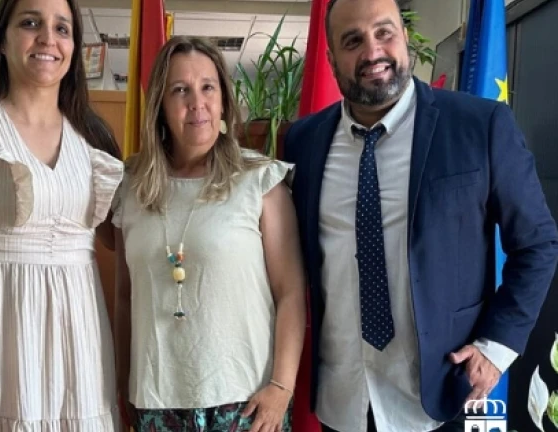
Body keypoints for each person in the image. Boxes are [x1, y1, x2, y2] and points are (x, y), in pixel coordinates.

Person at [282, 0, 558, 431]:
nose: (372, 51)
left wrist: (497, 345)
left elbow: (537, 242)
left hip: (443, 396)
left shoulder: (479, 125)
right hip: (342, 400)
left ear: (405, 38)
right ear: (332, 60)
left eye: (384, 32)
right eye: (352, 41)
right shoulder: (303, 141)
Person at [0, 0, 124, 429]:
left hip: (79, 330)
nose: (48, 38)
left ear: (74, 47)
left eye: (62, 28)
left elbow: (123, 238)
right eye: (31, 23)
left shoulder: (93, 135)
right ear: (1, 40)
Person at [111, 36, 307, 432]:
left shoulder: (259, 180)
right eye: (180, 90)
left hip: (246, 404)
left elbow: (290, 291)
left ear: (223, 100)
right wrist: (122, 384)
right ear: (160, 105)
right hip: (156, 402)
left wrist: (282, 387)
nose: (196, 103)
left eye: (207, 87)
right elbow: (124, 297)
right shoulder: (130, 187)